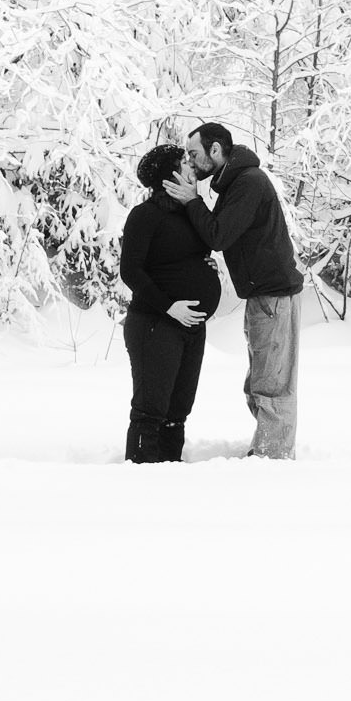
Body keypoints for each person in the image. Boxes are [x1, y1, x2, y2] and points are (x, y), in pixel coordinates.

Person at [165, 121, 304, 459]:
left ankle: (273, 459)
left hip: (273, 297)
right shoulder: (234, 183)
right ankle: (271, 451)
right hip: (263, 297)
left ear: (216, 151)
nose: (190, 160)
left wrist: (191, 201)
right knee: (260, 382)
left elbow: (218, 235)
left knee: (271, 385)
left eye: (194, 154)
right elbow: (224, 235)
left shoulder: (248, 183)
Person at [119, 143, 218, 464]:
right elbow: (130, 270)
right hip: (155, 323)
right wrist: (169, 306)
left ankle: (171, 476)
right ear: (169, 174)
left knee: (178, 410)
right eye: (185, 162)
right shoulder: (146, 215)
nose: (192, 167)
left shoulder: (191, 211)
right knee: (151, 408)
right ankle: (141, 478)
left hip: (192, 328)